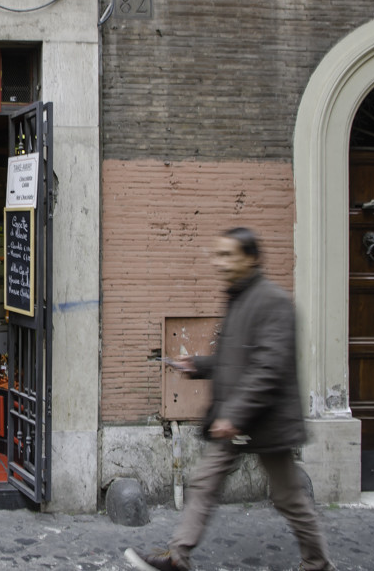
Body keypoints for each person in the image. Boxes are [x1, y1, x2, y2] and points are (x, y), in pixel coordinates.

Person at [124, 228, 336, 571]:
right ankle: (178, 556)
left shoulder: (274, 302)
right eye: (217, 255)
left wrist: (234, 414)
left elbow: (268, 368)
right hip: (237, 419)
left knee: (289, 498)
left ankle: (318, 563)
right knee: (205, 482)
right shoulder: (238, 298)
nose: (218, 263)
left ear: (250, 258)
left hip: (265, 421)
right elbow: (235, 359)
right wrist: (197, 365)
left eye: (227, 255)